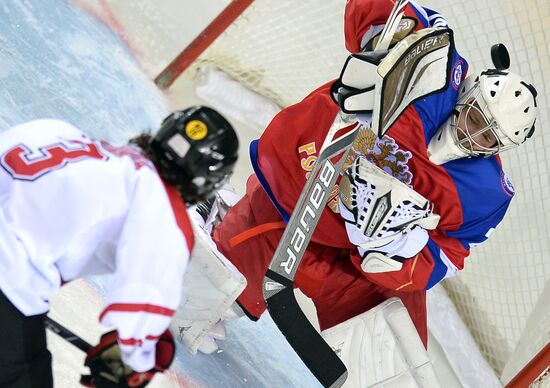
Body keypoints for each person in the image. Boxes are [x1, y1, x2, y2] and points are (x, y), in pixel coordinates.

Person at [185, 0, 539, 356]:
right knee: (216, 296)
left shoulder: (487, 195)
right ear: (471, 92)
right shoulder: (434, 71)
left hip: (354, 254)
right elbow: (385, 11)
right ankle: (222, 220)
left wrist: (395, 248)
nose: (474, 137)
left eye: (490, 139)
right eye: (477, 119)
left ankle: (231, 225)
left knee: (393, 347)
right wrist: (385, 37)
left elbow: (446, 255)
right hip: (302, 191)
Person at [0, 105, 239, 388]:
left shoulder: (61, 133)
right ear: (207, 182)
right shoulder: (166, 219)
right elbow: (135, 331)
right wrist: (125, 366)